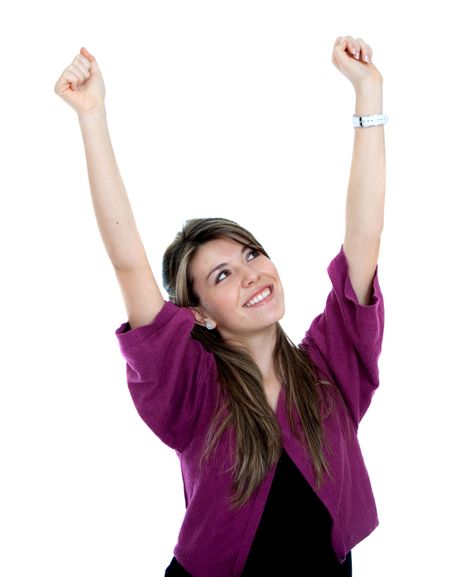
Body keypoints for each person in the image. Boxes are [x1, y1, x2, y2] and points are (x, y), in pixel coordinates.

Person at [54, 34, 386, 577]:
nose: (253, 272)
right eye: (223, 274)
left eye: (251, 253)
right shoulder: (190, 387)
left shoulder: (330, 365)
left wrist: (368, 95)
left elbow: (364, 235)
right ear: (199, 312)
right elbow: (129, 264)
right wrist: (92, 116)